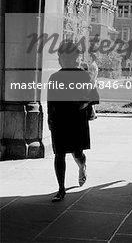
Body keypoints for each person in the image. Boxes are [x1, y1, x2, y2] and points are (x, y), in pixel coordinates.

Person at [47, 41, 99, 202]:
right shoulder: (55, 77)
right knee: (59, 154)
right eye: (63, 57)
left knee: (77, 153)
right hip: (59, 120)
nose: (67, 60)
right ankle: (61, 189)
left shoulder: (84, 76)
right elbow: (50, 101)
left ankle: (82, 166)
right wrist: (49, 118)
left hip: (77, 120)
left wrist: (84, 105)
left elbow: (93, 98)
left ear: (76, 58)